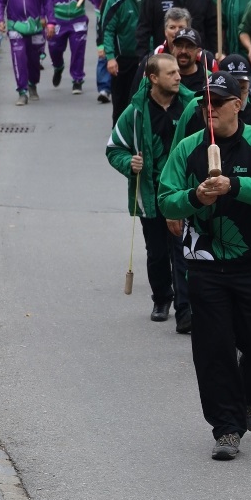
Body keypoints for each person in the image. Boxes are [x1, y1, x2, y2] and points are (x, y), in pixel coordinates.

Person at [158, 70, 251, 460]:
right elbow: (167, 198)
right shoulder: (188, 148)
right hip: (204, 266)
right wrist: (196, 197)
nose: (209, 108)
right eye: (204, 103)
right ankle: (226, 429)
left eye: (218, 102)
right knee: (213, 350)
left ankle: (250, 397)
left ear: (238, 104)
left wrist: (235, 186)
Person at [106, 52, 196, 333]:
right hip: (150, 193)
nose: (178, 77)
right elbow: (113, 149)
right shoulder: (135, 112)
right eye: (171, 74)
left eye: (178, 73)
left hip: (182, 193)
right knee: (157, 252)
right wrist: (129, 163)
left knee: (182, 250)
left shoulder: (191, 106)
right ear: (153, 78)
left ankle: (185, 310)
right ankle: (161, 298)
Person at [0, 0, 47, 105]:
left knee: (33, 59)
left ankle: (33, 84)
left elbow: (47, 1)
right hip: (15, 26)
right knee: (19, 57)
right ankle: (22, 92)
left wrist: (47, 19)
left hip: (36, 27)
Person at [102, 0, 153, 122]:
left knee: (144, 100)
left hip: (146, 58)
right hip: (123, 59)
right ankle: (117, 136)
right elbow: (108, 29)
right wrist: (110, 57)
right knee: (121, 101)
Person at [89, 0, 132, 105]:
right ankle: (104, 88)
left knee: (121, 49)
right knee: (104, 50)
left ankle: (121, 83)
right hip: (104, 11)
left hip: (125, 11)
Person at [44, 0, 91, 94]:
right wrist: (47, 18)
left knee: (78, 50)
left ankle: (77, 80)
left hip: (78, 19)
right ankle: (58, 66)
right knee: (54, 48)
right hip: (58, 19)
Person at [168, 27, 211, 96]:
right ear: (173, 48)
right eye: (179, 46)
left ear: (198, 51)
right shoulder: (164, 77)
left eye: (189, 47)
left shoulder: (209, 79)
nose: (183, 51)